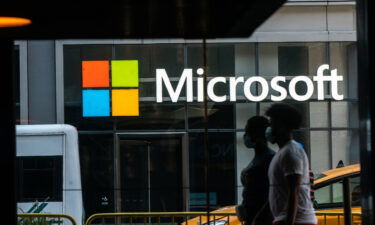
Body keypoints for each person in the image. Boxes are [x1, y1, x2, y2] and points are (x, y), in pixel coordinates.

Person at [263, 103, 317, 225]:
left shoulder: (291, 152)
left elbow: (294, 189)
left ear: (283, 126)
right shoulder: (283, 152)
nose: (269, 128)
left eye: (272, 124)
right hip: (287, 219)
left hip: (297, 221)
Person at [240, 116, 275, 225]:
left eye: (247, 131)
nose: (245, 135)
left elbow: (272, 194)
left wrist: (260, 219)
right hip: (252, 218)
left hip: (261, 220)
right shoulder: (258, 158)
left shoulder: (269, 159)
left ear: (256, 134)